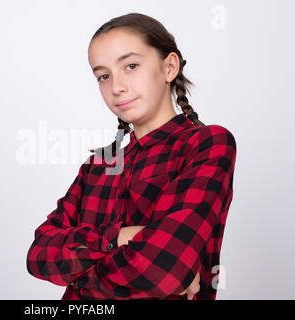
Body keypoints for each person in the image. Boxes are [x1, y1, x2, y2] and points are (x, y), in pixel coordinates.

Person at [26, 12, 236, 300]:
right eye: (103, 75)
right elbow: (38, 255)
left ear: (169, 67)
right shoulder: (98, 167)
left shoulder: (207, 144)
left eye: (131, 65)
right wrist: (123, 237)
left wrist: (77, 277)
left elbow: (162, 271)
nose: (116, 87)